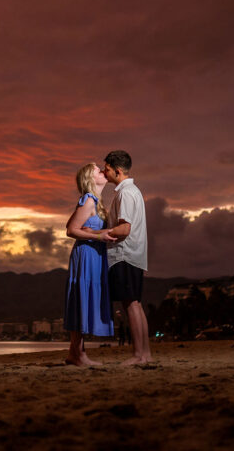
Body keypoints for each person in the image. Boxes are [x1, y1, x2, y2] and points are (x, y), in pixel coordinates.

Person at [63, 162, 115, 366]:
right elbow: (71, 230)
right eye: (97, 170)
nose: (102, 171)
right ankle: (79, 355)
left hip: (94, 254)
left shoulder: (95, 202)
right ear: (90, 179)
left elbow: (72, 225)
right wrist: (98, 236)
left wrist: (95, 233)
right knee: (81, 300)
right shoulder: (88, 201)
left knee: (83, 300)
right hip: (86, 254)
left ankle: (74, 354)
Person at [103, 149, 151, 365]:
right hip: (134, 255)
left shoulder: (126, 193)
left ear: (117, 170)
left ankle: (139, 354)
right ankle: (145, 353)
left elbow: (124, 229)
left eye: (107, 169)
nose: (104, 173)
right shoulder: (132, 191)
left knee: (130, 305)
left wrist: (100, 234)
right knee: (135, 304)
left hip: (125, 254)